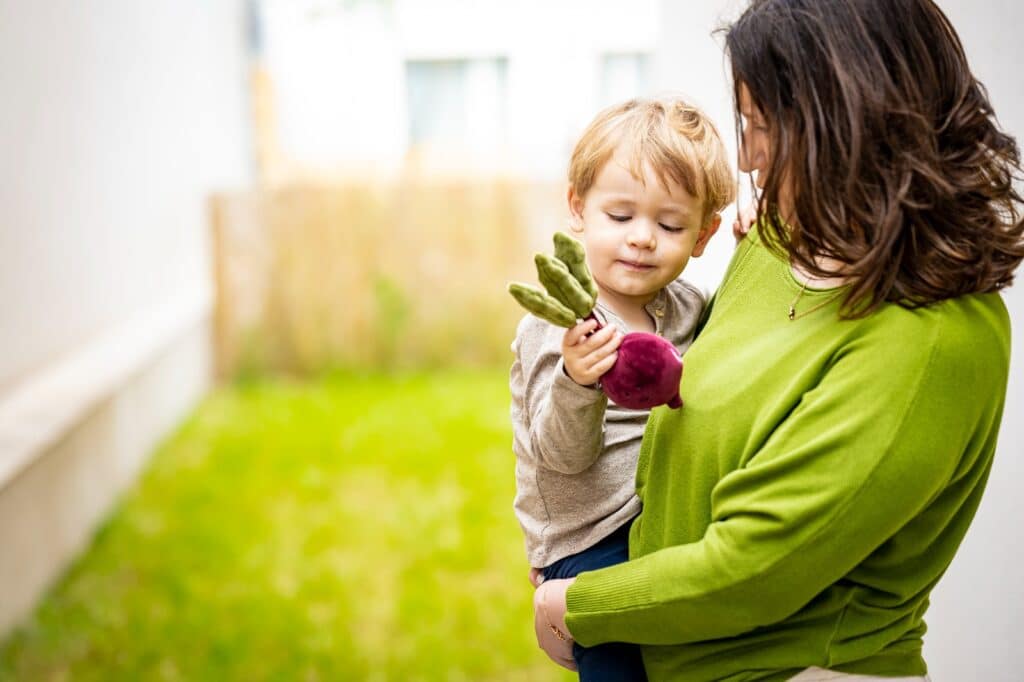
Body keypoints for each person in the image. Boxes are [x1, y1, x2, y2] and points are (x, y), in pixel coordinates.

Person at [532, 1, 1024, 680]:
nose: (748, 158)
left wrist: (576, 604)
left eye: (764, 129)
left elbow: (753, 570)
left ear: (849, 126)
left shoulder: (935, 338)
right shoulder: (777, 242)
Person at [510, 97, 735, 679]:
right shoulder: (559, 324)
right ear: (578, 208)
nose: (642, 239)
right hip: (592, 544)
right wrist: (576, 381)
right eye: (620, 216)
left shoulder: (688, 308)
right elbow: (557, 455)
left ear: (704, 234)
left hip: (671, 527)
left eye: (669, 225)